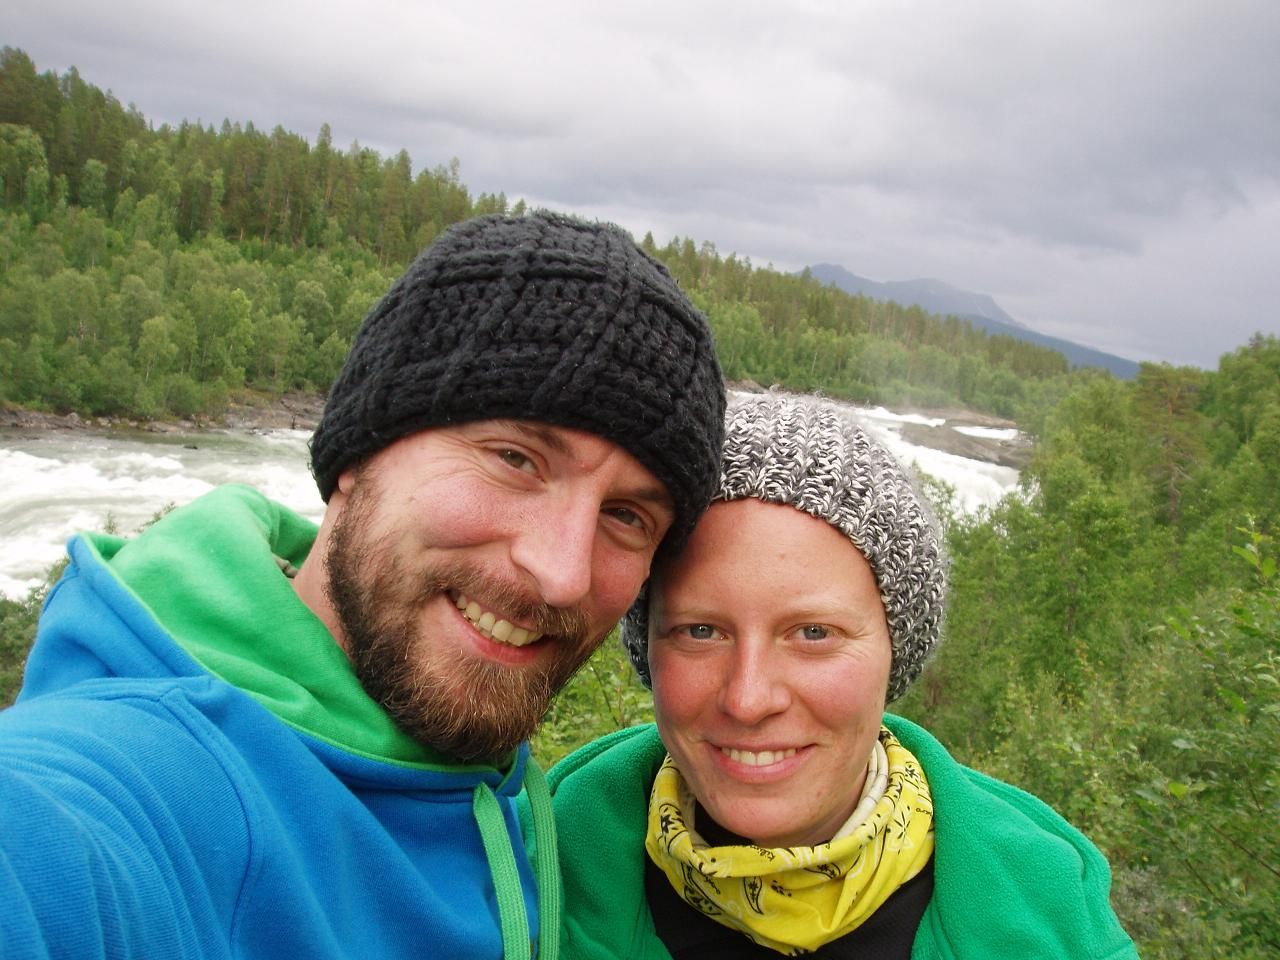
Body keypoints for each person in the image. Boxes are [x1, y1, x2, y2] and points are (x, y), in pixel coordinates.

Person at [0, 211, 726, 960]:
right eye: (514, 458)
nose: (563, 574)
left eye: (627, 515)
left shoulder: (526, 815)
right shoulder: (132, 791)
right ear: (358, 453)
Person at [547, 390, 1138, 958]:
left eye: (813, 633)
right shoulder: (536, 874)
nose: (749, 699)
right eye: (700, 631)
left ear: (896, 651)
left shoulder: (1052, 921)